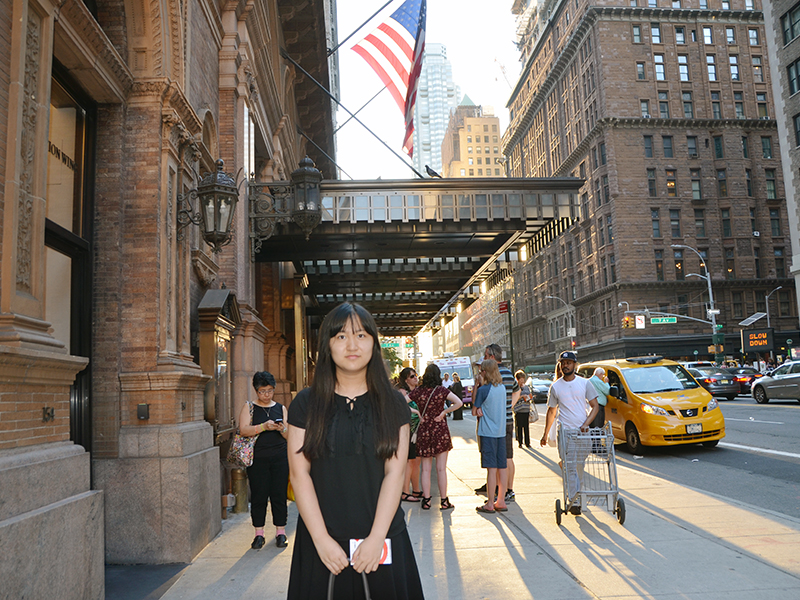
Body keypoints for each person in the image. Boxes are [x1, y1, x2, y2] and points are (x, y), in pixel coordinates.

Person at [286, 302, 424, 599]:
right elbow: (299, 475)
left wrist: (376, 539)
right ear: (327, 346)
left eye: (361, 335)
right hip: (322, 545)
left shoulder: (393, 403)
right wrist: (321, 540)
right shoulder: (306, 403)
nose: (352, 345)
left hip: (383, 539)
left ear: (374, 344)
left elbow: (395, 473)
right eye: (341, 336)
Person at [540, 351, 599, 516]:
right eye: (563, 363)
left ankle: (575, 492)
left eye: (568, 362)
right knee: (571, 467)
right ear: (560, 365)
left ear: (575, 364)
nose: (565, 365)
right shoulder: (556, 386)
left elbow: (595, 406)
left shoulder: (585, 383)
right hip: (566, 434)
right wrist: (545, 434)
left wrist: (586, 424)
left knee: (579, 466)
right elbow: (552, 412)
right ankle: (574, 501)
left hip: (583, 433)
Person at [237, 371, 289, 550]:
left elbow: (288, 435)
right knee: (259, 496)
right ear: (256, 391)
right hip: (258, 459)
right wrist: (263, 427)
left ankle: (281, 532)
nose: (266, 395)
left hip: (280, 458)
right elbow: (243, 430)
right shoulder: (249, 407)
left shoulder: (281, 408)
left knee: (279, 496)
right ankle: (259, 534)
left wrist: (281, 429)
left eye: (269, 391)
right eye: (262, 391)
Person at [408, 363, 463, 510]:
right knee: (441, 469)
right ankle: (444, 501)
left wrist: (416, 412)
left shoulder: (418, 391)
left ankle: (426, 500)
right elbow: (459, 402)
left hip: (424, 430)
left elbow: (400, 402)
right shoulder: (441, 390)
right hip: (440, 430)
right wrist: (444, 413)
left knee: (425, 469)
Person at [475, 344, 516, 503]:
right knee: (506, 458)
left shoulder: (489, 381)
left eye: (486, 356)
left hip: (492, 424)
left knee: (494, 464)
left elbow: (475, 406)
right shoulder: (508, 374)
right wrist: (509, 406)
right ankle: (506, 491)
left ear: (491, 357)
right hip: (505, 420)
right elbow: (516, 389)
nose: (484, 358)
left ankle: (497, 494)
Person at [473, 359, 509, 513]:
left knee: (491, 469)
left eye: (481, 371)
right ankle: (501, 500)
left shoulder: (483, 390)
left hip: (487, 433)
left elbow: (475, 410)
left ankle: (489, 503)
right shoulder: (502, 388)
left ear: (485, 372)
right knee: (502, 467)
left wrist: (476, 385)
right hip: (501, 432)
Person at [396, 367, 423, 503]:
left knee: (416, 460)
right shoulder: (402, 391)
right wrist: (416, 412)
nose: (415, 378)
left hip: (417, 429)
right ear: (406, 379)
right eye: (412, 376)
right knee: (409, 461)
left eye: (416, 375)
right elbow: (400, 407)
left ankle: (416, 489)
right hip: (408, 429)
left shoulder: (416, 391)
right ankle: (405, 492)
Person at [511, 370, 532, 448]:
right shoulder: (515, 388)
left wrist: (528, 396)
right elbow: (514, 397)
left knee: (526, 426)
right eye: (521, 379)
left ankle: (527, 442)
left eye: (523, 378)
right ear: (517, 379)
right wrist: (522, 396)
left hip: (526, 408)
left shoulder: (526, 387)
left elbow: (530, 395)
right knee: (519, 426)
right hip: (518, 409)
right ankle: (520, 442)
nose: (522, 380)